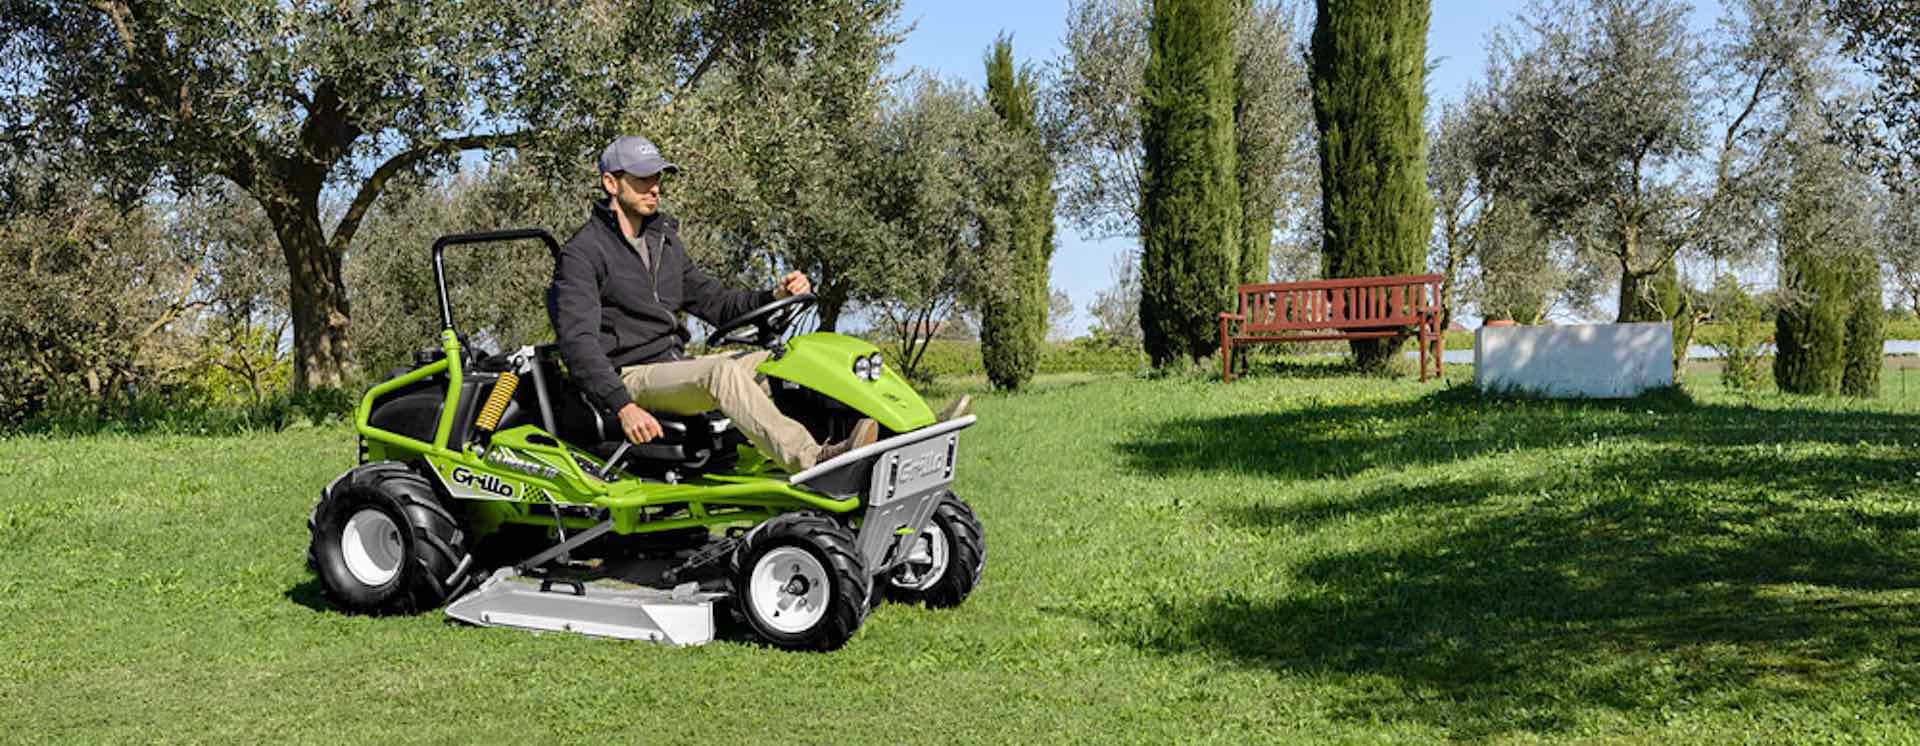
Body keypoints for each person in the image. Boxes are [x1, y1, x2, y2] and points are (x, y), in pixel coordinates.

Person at [548, 135, 877, 473]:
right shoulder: (583, 254)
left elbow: (716, 302)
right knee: (721, 372)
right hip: (629, 375)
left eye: (657, 177)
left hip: (674, 365)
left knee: (785, 361)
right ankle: (814, 462)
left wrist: (774, 296)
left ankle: (872, 441)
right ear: (611, 183)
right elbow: (578, 344)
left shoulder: (664, 242)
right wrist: (622, 406)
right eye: (643, 178)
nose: (655, 188)